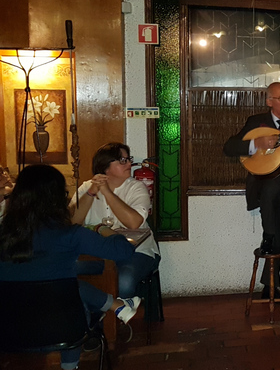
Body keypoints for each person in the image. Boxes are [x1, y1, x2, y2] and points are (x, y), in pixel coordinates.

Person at [0, 165, 141, 370]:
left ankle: (116, 304)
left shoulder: (4, 233)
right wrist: (105, 230)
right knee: (70, 293)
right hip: (63, 331)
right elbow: (124, 251)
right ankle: (70, 366)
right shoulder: (70, 234)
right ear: (57, 198)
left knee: (67, 284)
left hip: (8, 332)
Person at [224, 82, 280, 299]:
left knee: (279, 235)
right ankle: (270, 278)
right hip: (262, 187)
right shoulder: (256, 122)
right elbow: (229, 147)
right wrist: (256, 142)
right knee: (271, 188)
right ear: (269, 101)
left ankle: (269, 282)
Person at [70, 142, 161, 299]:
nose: (129, 164)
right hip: (97, 252)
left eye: (128, 159)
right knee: (67, 272)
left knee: (123, 282)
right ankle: (96, 318)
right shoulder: (86, 188)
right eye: (122, 160)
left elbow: (134, 223)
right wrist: (92, 192)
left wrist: (106, 192)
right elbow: (72, 223)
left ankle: (117, 317)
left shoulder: (137, 188)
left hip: (137, 251)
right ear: (105, 167)